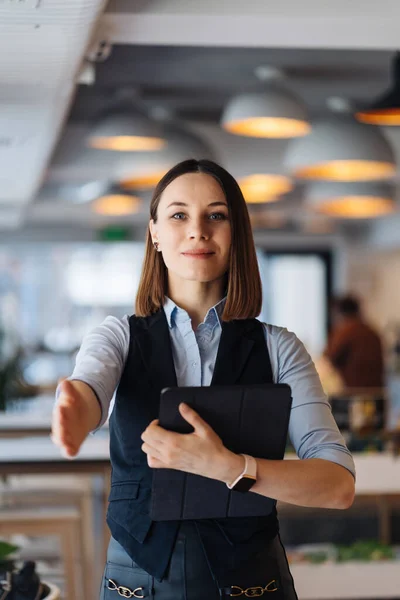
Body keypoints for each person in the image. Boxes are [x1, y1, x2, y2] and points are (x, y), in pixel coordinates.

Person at [51, 159, 355, 600]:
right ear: (154, 232)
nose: (197, 230)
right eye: (178, 215)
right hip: (137, 581)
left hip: (251, 582)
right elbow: (89, 387)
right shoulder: (117, 336)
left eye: (216, 215)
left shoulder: (280, 348)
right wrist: (75, 411)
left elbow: (338, 485)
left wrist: (231, 467)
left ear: (237, 233)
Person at [324, 295, 384, 389]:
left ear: (340, 313)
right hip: (376, 392)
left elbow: (328, 358)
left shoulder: (346, 331)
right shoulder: (372, 332)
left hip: (353, 393)